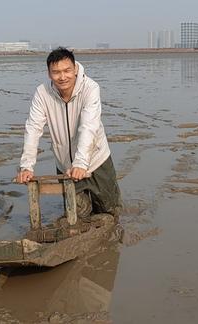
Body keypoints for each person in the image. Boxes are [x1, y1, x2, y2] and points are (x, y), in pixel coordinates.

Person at [16, 47, 121, 218]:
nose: (62, 77)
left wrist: (80, 163)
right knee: (76, 214)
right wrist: (26, 166)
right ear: (49, 74)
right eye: (56, 72)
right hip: (65, 165)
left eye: (67, 70)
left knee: (110, 210)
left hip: (97, 161)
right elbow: (33, 128)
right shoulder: (42, 93)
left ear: (75, 69)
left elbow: (89, 126)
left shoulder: (90, 88)